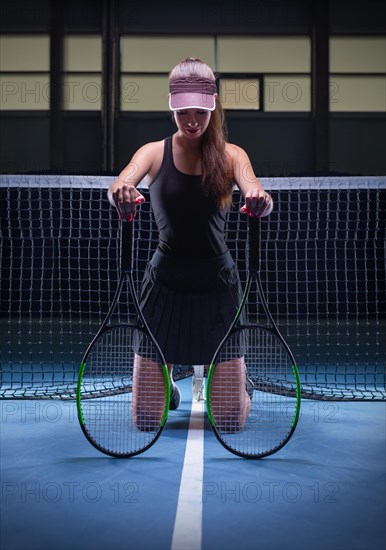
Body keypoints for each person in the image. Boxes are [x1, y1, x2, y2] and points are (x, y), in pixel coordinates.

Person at [108, 57, 273, 431]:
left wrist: (260, 201)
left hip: (218, 289)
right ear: (173, 107)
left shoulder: (233, 155)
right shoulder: (152, 152)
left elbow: (256, 190)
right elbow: (123, 180)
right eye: (185, 112)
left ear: (213, 107)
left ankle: (232, 384)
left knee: (229, 421)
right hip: (163, 288)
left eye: (201, 111)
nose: (193, 120)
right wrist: (120, 190)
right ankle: (166, 383)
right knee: (146, 420)